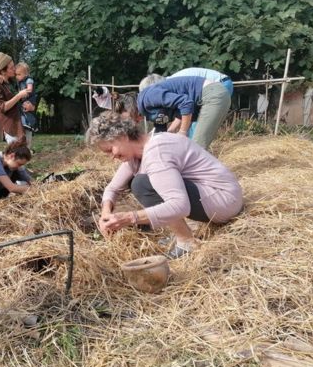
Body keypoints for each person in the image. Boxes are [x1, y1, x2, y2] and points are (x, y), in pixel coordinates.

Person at [87, 111, 242, 259]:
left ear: (122, 136)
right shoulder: (137, 154)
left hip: (224, 200)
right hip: (215, 196)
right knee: (140, 182)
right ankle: (181, 235)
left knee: (141, 184)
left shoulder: (157, 152)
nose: (111, 157)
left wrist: (129, 218)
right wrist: (106, 213)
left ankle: (186, 243)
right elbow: (112, 188)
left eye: (110, 149)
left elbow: (180, 206)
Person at [137, 73, 231, 149]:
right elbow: (179, 113)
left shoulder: (150, 94)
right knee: (194, 147)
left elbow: (186, 103)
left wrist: (182, 132)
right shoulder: (151, 103)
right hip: (207, 95)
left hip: (212, 93)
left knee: (197, 148)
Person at [0, 52, 33, 144]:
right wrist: (19, 95)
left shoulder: (12, 83)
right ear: (3, 71)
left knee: (25, 156)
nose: (15, 69)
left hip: (22, 126)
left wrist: (31, 106)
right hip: (11, 129)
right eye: (11, 67)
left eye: (14, 66)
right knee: (17, 157)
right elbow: (1, 107)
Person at [15, 62, 38, 149]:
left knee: (28, 112)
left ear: (26, 74)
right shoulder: (19, 82)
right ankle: (26, 124)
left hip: (29, 99)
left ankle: (31, 124)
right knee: (24, 113)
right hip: (24, 100)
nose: (17, 76)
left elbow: (30, 89)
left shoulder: (29, 80)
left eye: (19, 74)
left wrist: (24, 92)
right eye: (16, 74)